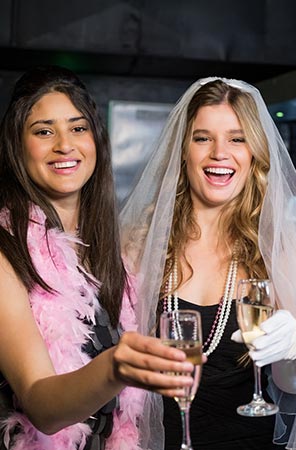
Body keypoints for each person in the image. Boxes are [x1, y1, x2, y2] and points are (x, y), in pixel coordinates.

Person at [119, 77, 296, 450]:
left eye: (237, 138)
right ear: (183, 150)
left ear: (255, 154)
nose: (220, 152)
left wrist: (290, 351)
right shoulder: (138, 243)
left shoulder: (276, 251)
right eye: (203, 138)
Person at [0, 66, 196, 450]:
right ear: (17, 146)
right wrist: (114, 367)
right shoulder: (6, 251)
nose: (64, 145)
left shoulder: (109, 251)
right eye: (43, 131)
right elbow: (42, 406)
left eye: (77, 128)